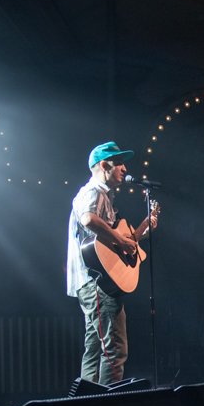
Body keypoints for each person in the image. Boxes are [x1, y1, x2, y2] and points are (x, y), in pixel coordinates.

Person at [67, 142, 157, 384]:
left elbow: (111, 248)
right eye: (119, 163)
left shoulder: (105, 196)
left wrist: (139, 233)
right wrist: (121, 239)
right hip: (97, 283)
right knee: (115, 349)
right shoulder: (94, 192)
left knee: (95, 349)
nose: (124, 168)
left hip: (96, 281)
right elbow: (88, 219)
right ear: (104, 165)